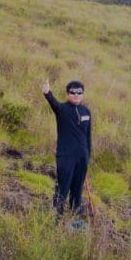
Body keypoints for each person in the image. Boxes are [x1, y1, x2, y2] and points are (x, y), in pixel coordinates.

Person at [42, 78, 92, 223]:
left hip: (82, 157)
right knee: (63, 186)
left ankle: (75, 215)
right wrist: (47, 93)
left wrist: (88, 155)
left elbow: (88, 136)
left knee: (77, 187)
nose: (76, 95)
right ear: (67, 94)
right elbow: (54, 104)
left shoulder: (86, 111)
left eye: (79, 92)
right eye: (73, 92)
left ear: (83, 94)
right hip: (65, 156)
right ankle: (56, 217)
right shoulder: (62, 109)